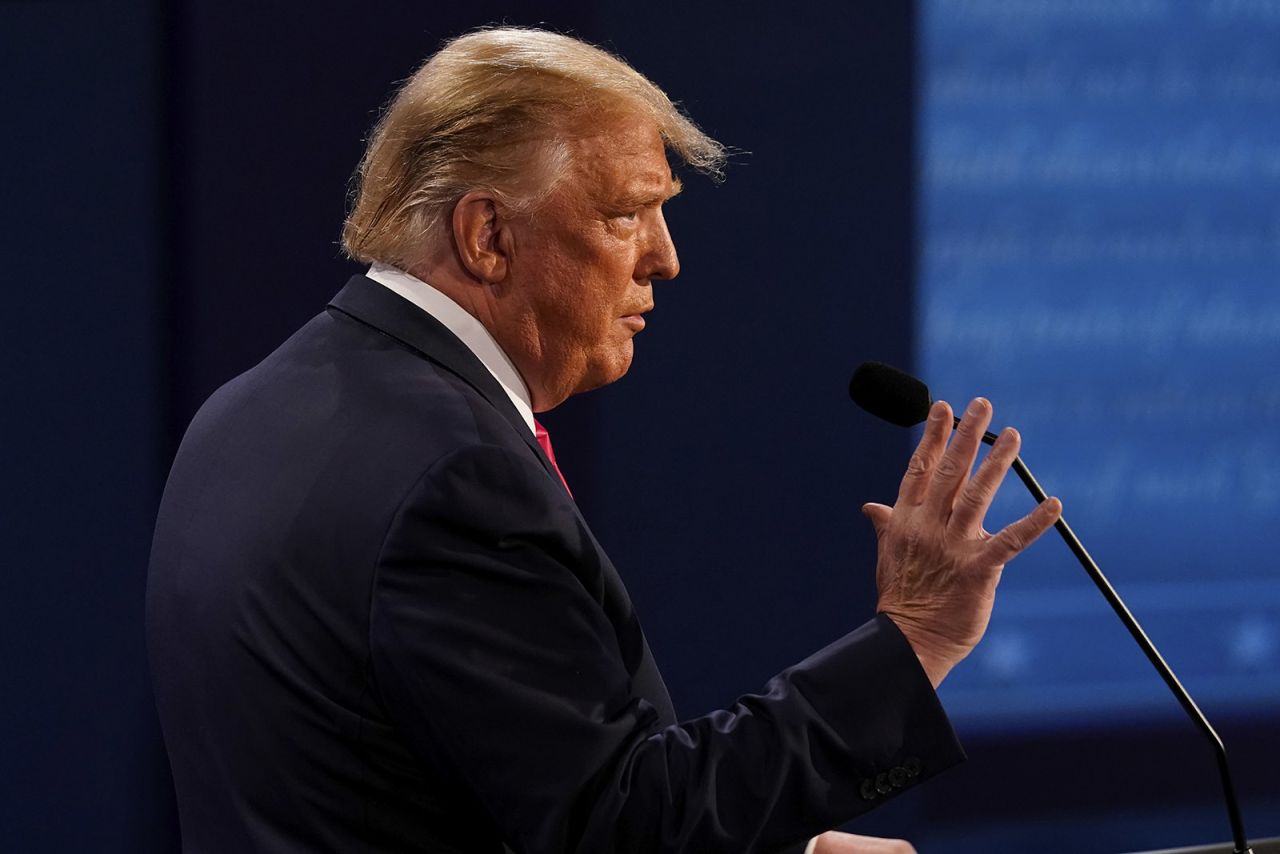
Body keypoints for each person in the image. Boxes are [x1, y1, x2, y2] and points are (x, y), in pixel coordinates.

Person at [146, 27, 1062, 854]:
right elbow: (618, 829)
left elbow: (477, 783)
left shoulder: (250, 409)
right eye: (625, 214)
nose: (665, 257)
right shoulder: (455, 478)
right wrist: (917, 639)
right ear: (489, 235)